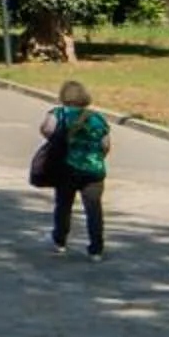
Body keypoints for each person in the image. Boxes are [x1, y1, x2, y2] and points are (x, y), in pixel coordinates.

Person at [45, 81, 111, 256]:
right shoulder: (97, 118)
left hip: (66, 168)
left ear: (63, 96)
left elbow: (46, 130)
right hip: (93, 169)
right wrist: (97, 158)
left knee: (63, 205)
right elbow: (105, 145)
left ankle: (60, 241)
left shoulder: (58, 114)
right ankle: (96, 248)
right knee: (94, 209)